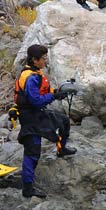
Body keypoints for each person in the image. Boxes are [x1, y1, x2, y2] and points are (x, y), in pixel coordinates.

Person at [14, 44, 76, 198]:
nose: (45, 60)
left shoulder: (36, 73)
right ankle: (27, 188)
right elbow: (36, 101)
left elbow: (45, 92)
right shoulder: (30, 78)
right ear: (35, 60)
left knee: (63, 121)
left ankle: (62, 149)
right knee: (32, 152)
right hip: (30, 117)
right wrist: (53, 97)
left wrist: (58, 92)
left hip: (38, 114)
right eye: (43, 58)